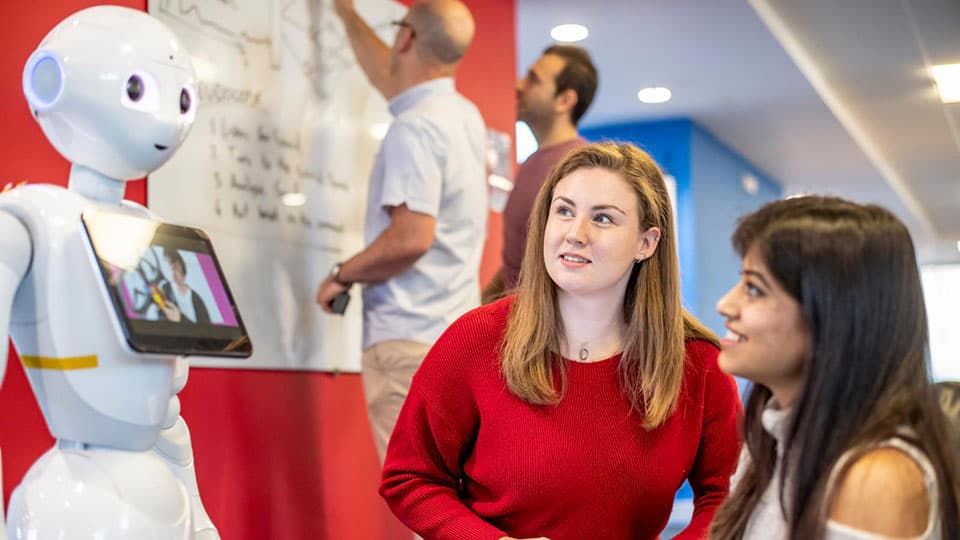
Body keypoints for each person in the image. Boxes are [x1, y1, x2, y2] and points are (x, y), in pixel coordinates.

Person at [379, 142, 742, 539]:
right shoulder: (476, 339)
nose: (575, 234)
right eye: (564, 211)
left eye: (603, 218)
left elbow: (728, 496)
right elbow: (409, 477)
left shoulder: (698, 362)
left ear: (647, 243)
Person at [710, 196, 960, 540]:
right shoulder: (768, 445)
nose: (725, 304)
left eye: (754, 288)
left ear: (834, 316)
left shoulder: (874, 477)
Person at [315, 0, 487, 461]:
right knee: (452, 487)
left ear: (406, 37)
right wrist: (346, 13)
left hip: (407, 344)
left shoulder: (414, 128)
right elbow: (391, 77)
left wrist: (342, 273)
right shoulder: (464, 117)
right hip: (452, 339)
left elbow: (411, 238)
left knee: (418, 492)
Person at [482, 45, 598, 303]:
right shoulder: (532, 164)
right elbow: (520, 257)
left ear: (564, 100)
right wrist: (483, 307)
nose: (518, 85)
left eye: (533, 79)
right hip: (518, 318)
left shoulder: (579, 168)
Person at [158, 248, 211, 324]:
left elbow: (206, 328)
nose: (173, 272)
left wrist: (180, 319)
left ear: (184, 274)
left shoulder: (197, 299)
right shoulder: (164, 289)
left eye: (175, 268)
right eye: (170, 268)